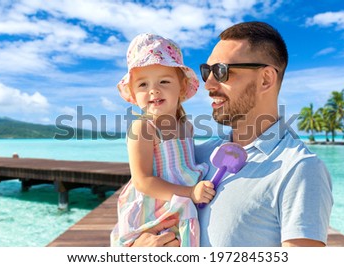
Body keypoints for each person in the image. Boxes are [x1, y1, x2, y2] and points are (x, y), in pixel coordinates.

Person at [131, 21, 333, 247]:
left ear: (265, 79)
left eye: (221, 71)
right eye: (207, 71)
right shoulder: (196, 155)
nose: (208, 84)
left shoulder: (299, 170)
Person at [110, 33, 215, 247]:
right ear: (132, 92)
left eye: (164, 81)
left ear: (182, 86)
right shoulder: (143, 128)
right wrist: (190, 193)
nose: (153, 90)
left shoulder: (186, 126)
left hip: (181, 202)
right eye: (142, 85)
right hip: (153, 208)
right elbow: (143, 181)